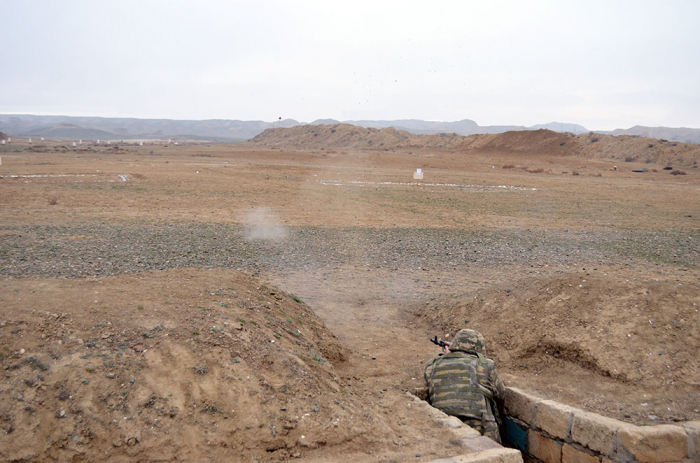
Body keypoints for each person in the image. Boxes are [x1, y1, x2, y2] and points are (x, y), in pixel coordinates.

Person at [423, 329, 505, 443]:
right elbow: (501, 394)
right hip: (483, 430)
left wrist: (447, 357)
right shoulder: (486, 365)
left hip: (444, 428)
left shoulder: (432, 365)